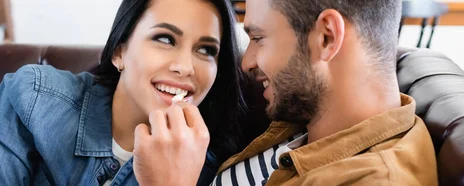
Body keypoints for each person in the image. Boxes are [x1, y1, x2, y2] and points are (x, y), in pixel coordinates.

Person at [134, 0, 439, 185]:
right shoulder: (310, 117)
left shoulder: (372, 180)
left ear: (326, 38)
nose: (247, 61)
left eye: (259, 38)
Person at [0, 0, 246, 185]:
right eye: (165, 39)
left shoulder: (208, 170)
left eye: (206, 50)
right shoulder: (33, 98)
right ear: (119, 52)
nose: (185, 67)